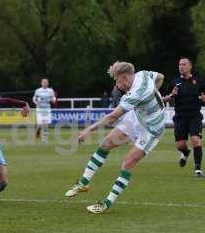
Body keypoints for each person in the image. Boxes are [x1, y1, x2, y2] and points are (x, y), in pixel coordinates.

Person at [65, 61, 165, 214]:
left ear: (124, 77)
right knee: (105, 144)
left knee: (127, 163)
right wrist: (152, 98)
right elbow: (160, 77)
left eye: (117, 81)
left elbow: (112, 118)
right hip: (137, 118)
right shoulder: (143, 74)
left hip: (151, 129)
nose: (118, 85)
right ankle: (83, 182)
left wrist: (88, 129)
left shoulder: (135, 93)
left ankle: (106, 204)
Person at [163, 58, 205, 176]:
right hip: (180, 117)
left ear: (190, 67)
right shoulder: (174, 83)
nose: (181, 66)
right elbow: (166, 98)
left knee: (196, 140)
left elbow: (204, 97)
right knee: (180, 145)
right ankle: (186, 153)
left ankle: (198, 170)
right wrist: (171, 95)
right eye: (180, 64)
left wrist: (203, 99)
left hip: (195, 116)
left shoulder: (199, 82)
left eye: (184, 64)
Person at [32, 78, 56, 143]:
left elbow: (53, 98)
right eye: (43, 82)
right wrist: (36, 102)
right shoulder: (38, 90)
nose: (45, 83)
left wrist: (53, 100)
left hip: (47, 108)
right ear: (41, 83)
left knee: (46, 124)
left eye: (46, 82)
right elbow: (34, 98)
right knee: (39, 125)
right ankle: (38, 131)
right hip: (39, 108)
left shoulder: (50, 91)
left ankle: (44, 140)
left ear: (48, 83)